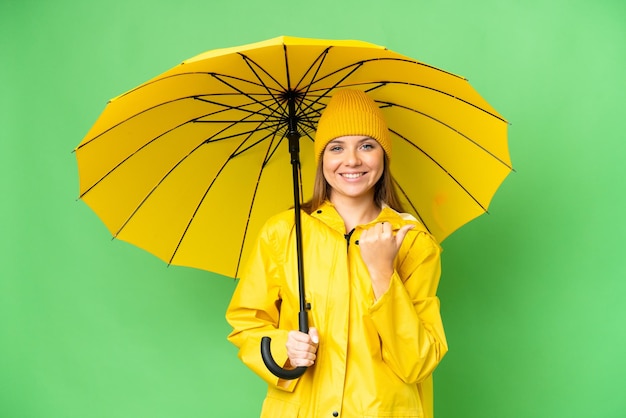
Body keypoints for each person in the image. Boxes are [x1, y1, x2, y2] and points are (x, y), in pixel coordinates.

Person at [226, 89, 448, 418]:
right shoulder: (283, 232)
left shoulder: (413, 242)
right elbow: (246, 324)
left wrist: (382, 274)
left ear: (383, 156)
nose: (352, 160)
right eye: (337, 147)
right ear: (322, 159)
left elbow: (418, 361)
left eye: (367, 145)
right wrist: (282, 346)